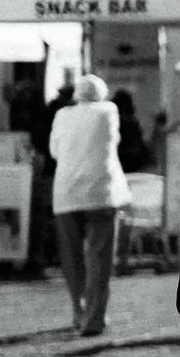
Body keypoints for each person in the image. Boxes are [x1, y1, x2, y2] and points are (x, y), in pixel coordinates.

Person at [49, 73, 131, 336]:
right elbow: (114, 140)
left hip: (67, 192)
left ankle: (78, 308)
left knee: (71, 256)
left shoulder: (62, 115)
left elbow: (54, 151)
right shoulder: (108, 111)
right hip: (100, 192)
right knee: (99, 256)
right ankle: (94, 317)